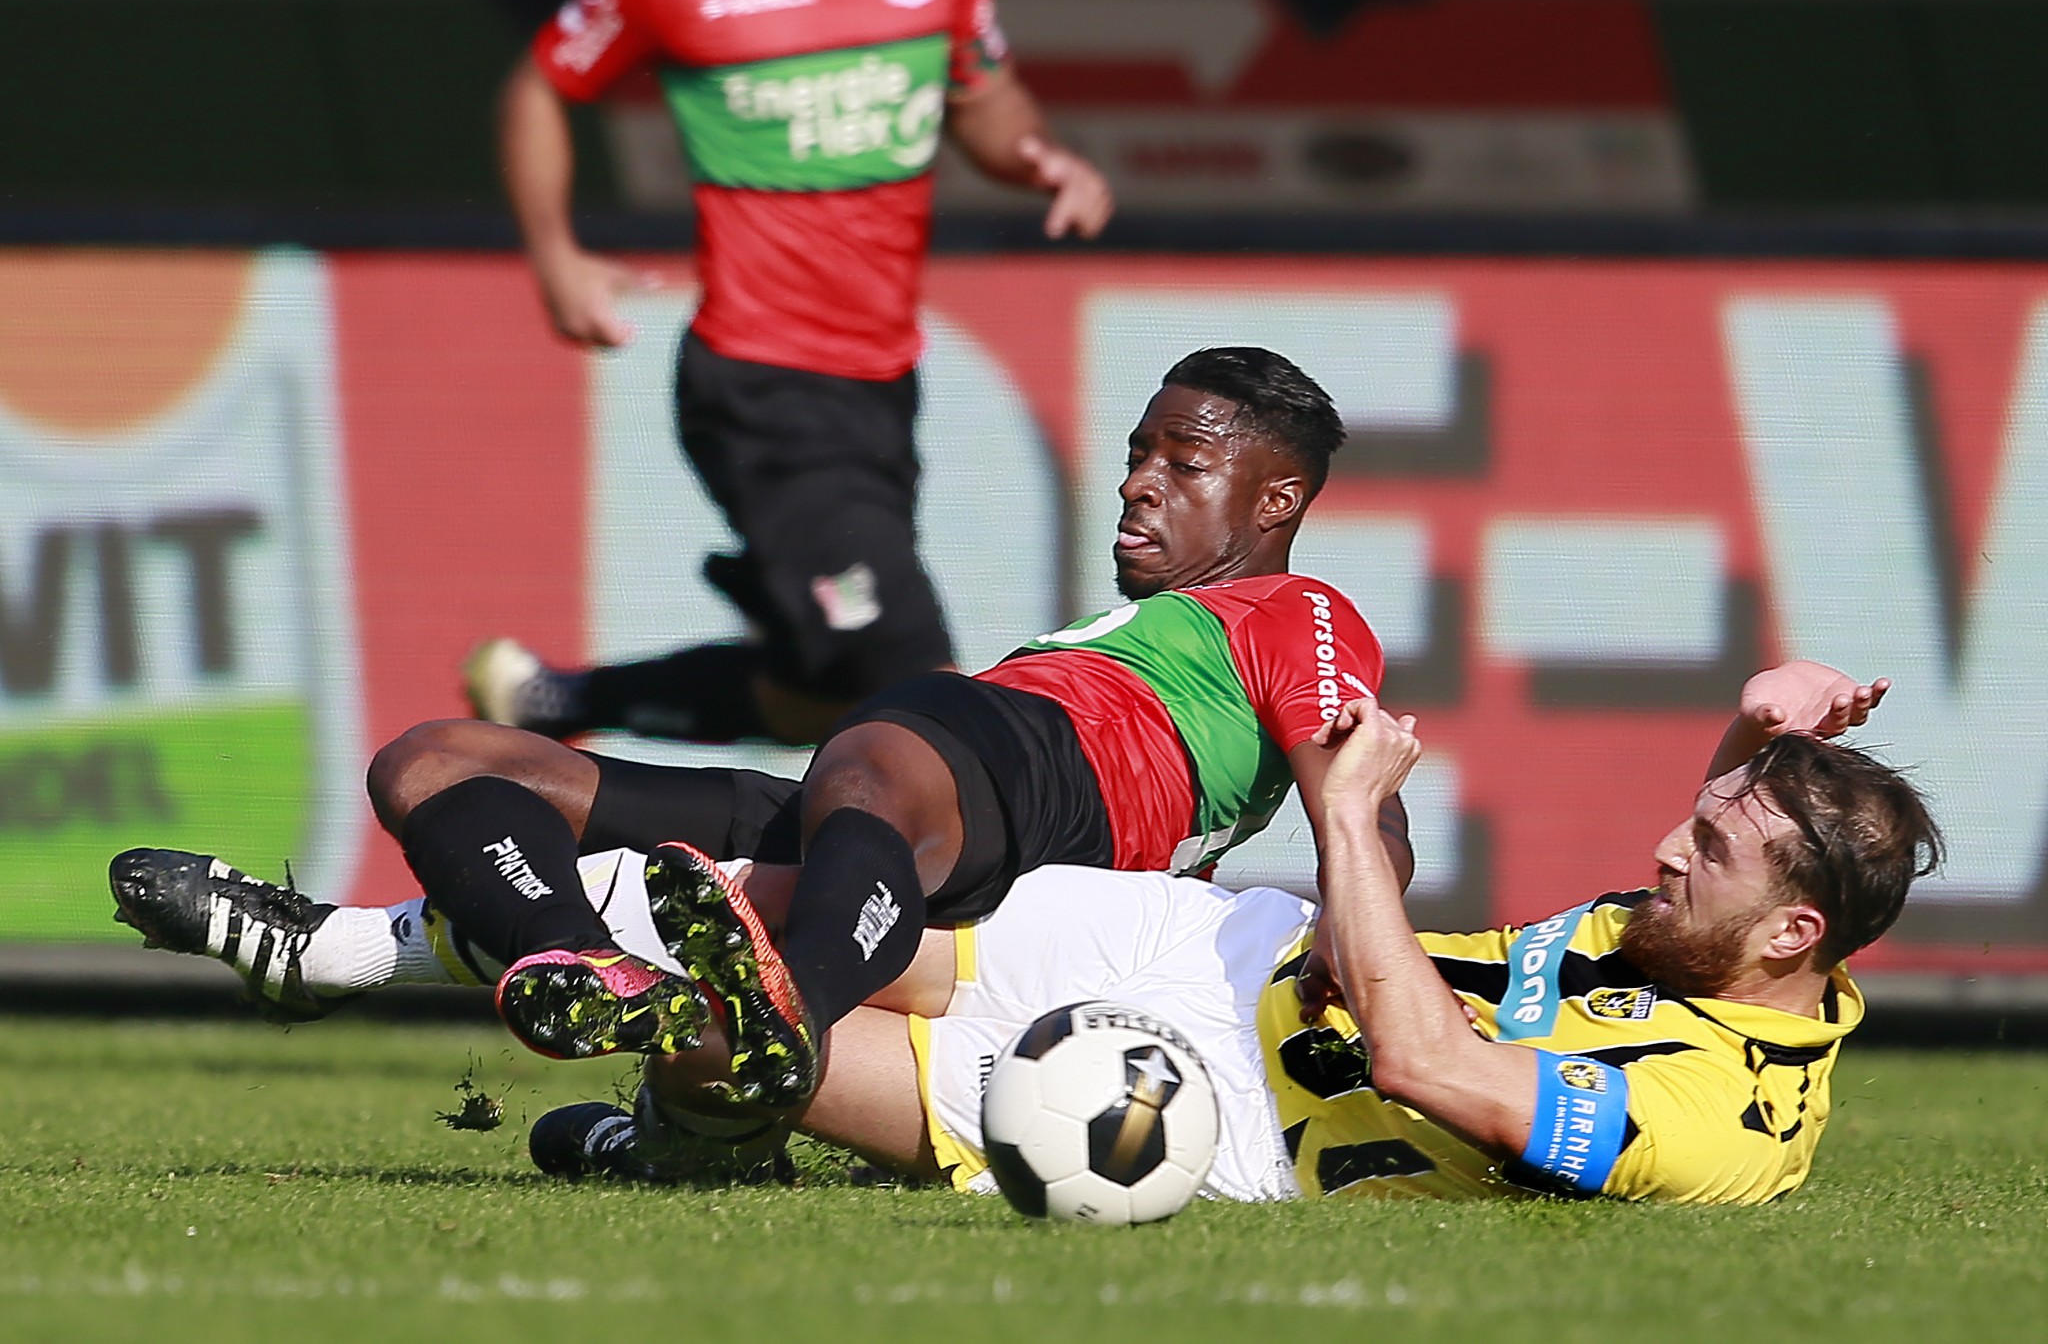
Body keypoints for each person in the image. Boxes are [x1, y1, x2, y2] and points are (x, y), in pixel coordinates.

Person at [113, 348, 1409, 1118]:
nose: (1138, 478)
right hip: (919, 813)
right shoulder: (1133, 631)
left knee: (887, 740)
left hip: (1034, 800)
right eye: (1137, 452)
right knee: (440, 762)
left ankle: (783, 1022)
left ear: (1275, 495)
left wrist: (1359, 960)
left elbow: (1370, 814)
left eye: (1182, 462)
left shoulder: (1299, 608)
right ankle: (572, 972)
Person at [109, 661, 1938, 1205]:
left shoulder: (1708, 1125)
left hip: (1221, 1115)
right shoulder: (1736, 941)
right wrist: (1755, 735)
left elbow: (1421, 1063)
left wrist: (1342, 807)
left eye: (1705, 840)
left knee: (783, 1032)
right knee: (775, 912)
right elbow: (1723, 874)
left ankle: (696, 1105)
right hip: (1201, 951)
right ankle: (362, 957)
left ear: (1786, 933)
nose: (1655, 849)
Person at [466, 0, 1113, 748]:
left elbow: (984, 98)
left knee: (824, 697)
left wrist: (1039, 158)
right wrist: (554, 256)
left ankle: (558, 701)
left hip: (881, 391)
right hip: (762, 389)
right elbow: (539, 85)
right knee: (924, 688)